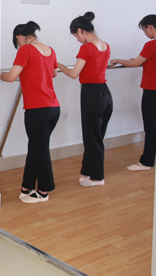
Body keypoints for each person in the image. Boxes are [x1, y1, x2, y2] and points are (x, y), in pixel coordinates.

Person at [0, 22, 60, 203]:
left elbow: (11, 76)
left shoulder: (25, 50)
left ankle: (43, 191)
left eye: (16, 42)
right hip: (53, 107)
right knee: (35, 147)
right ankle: (26, 187)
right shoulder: (50, 50)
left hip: (37, 109)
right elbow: (54, 74)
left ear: (19, 37)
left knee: (40, 150)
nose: (18, 46)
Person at [58, 12, 112, 187]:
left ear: (80, 30)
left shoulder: (87, 48)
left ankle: (97, 177)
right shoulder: (105, 46)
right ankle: (86, 171)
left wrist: (58, 65)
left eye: (75, 35)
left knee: (92, 138)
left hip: (92, 94)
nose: (77, 39)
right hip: (105, 93)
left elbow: (74, 73)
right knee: (96, 137)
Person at [110, 14, 156, 171]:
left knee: (150, 127)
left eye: (144, 30)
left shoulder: (152, 44)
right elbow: (146, 61)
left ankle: (146, 162)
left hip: (152, 91)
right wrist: (136, 61)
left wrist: (118, 60)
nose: (145, 33)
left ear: (150, 27)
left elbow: (135, 63)